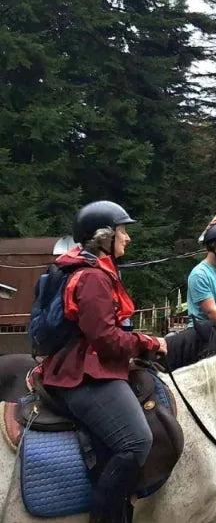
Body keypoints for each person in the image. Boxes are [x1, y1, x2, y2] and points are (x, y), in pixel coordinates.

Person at [40, 201, 168, 523]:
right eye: (123, 231)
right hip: (82, 373)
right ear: (103, 238)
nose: (128, 238)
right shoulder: (92, 278)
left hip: (88, 363)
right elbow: (107, 340)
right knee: (137, 441)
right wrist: (148, 342)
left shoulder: (91, 271)